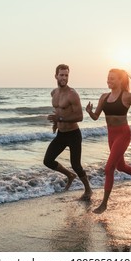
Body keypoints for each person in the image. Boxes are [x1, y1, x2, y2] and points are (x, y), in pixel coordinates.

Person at [86, 68, 131, 213]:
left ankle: (104, 204)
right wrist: (89, 112)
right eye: (108, 78)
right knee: (120, 166)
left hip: (123, 134)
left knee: (109, 168)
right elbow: (96, 117)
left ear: (120, 80)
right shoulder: (103, 97)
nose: (109, 81)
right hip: (111, 135)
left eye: (112, 78)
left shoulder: (128, 97)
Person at [43, 64, 92, 200]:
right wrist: (56, 123)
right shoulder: (54, 93)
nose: (64, 77)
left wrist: (60, 118)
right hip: (61, 134)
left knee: (76, 165)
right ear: (56, 76)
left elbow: (79, 116)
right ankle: (69, 175)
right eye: (62, 75)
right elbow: (58, 111)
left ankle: (88, 189)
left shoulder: (72, 94)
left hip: (73, 134)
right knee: (47, 160)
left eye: (66, 75)